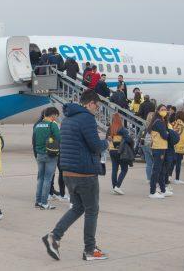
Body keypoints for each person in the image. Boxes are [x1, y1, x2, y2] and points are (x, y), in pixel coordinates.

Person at [42, 90, 109, 262]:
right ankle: (90, 249)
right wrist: (106, 143)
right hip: (84, 173)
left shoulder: (67, 118)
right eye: (97, 106)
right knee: (92, 210)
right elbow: (95, 146)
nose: (97, 110)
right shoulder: (87, 118)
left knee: (78, 207)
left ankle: (54, 236)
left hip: (68, 172)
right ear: (91, 103)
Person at [32, 107, 61, 210]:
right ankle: (44, 202)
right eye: (56, 116)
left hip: (39, 154)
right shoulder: (52, 125)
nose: (56, 118)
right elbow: (59, 138)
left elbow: (34, 140)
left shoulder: (38, 125)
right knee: (47, 179)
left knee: (40, 178)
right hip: (50, 155)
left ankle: (38, 201)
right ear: (52, 115)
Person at [148, 104, 173, 199]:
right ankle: (152, 191)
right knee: (157, 170)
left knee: (162, 170)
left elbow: (165, 133)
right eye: (162, 109)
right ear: (158, 111)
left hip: (162, 147)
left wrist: (166, 133)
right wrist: (166, 133)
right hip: (158, 148)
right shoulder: (158, 122)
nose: (164, 111)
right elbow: (165, 135)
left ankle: (163, 189)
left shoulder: (162, 121)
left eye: (165, 110)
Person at [107, 113, 133, 195]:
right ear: (120, 120)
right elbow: (128, 140)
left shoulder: (110, 129)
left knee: (115, 169)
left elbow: (107, 138)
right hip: (120, 151)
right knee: (124, 169)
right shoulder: (122, 129)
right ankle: (117, 186)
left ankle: (114, 187)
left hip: (112, 150)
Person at [172, 111, 184, 185]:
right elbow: (179, 133)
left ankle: (169, 176)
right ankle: (177, 179)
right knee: (177, 163)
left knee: (173, 163)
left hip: (177, 146)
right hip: (179, 146)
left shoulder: (176, 123)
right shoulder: (180, 123)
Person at [141, 112, 156, 181]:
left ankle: (148, 178)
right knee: (155, 163)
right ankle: (154, 178)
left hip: (144, 144)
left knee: (148, 163)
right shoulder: (155, 125)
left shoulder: (146, 125)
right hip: (152, 145)